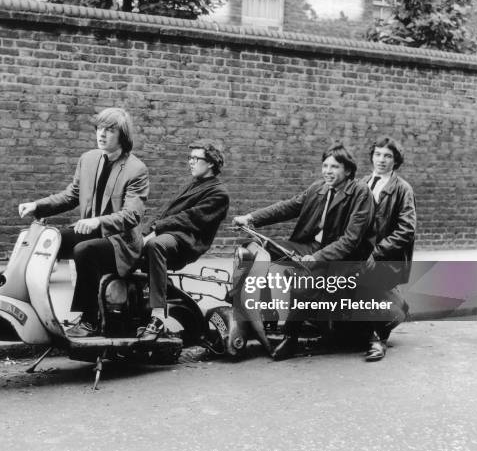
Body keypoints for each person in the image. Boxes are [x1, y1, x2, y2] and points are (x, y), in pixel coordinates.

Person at [233, 143, 375, 360]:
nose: (328, 171)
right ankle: (255, 316)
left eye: (334, 167)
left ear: (347, 170)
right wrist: (251, 218)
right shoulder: (319, 188)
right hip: (309, 246)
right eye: (325, 165)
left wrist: (316, 258)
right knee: (254, 250)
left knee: (304, 280)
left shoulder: (359, 193)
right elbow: (288, 206)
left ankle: (290, 337)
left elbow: (351, 239)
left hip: (342, 256)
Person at [18, 108, 149, 338]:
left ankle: (89, 321)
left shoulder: (136, 169)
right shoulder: (88, 159)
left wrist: (97, 221)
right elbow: (71, 195)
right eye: (99, 128)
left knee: (84, 250)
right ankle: (31, 306)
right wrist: (37, 206)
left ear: (123, 135)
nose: (102, 134)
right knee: (49, 240)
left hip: (120, 242)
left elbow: (132, 216)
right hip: (91, 231)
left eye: (110, 130)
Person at [138, 141, 230, 341]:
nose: (191, 162)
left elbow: (190, 218)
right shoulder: (191, 184)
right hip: (171, 234)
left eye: (196, 159)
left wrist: (155, 232)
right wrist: (144, 232)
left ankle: (157, 315)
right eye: (190, 158)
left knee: (156, 245)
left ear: (211, 164)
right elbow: (164, 212)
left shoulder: (219, 193)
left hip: (187, 241)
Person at [360, 136, 416, 362]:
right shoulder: (361, 183)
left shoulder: (403, 189)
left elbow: (406, 229)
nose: (381, 160)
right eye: (377, 154)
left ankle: (377, 339)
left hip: (385, 256)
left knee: (371, 287)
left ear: (395, 160)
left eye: (387, 156)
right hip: (361, 252)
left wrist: (378, 252)